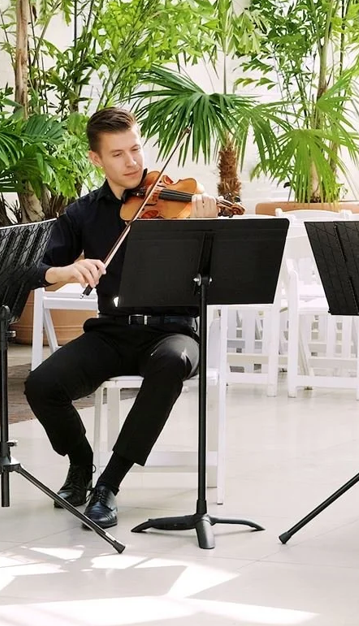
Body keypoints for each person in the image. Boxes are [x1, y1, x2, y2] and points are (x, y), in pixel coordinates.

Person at [25, 107, 223, 529]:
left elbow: (215, 276)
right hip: (113, 331)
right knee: (41, 384)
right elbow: (39, 270)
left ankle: (109, 484)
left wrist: (205, 230)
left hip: (175, 332)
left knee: (170, 363)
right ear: (96, 160)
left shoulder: (177, 202)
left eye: (135, 149)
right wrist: (64, 271)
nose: (132, 162)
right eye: (117, 154)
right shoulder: (82, 213)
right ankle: (81, 463)